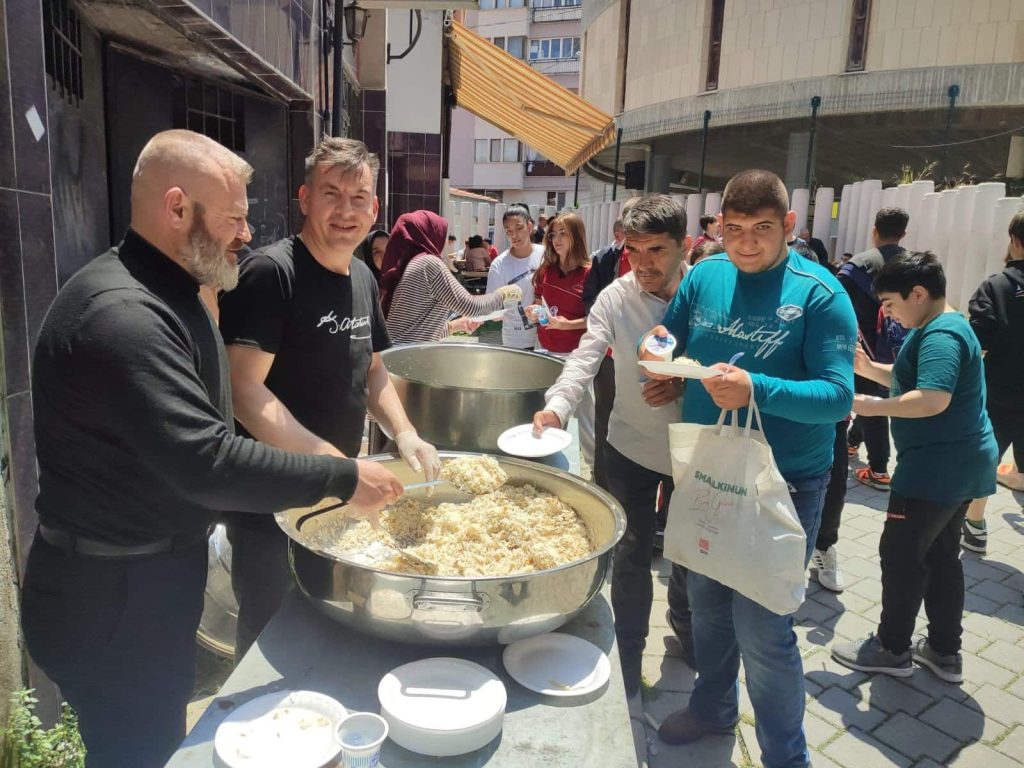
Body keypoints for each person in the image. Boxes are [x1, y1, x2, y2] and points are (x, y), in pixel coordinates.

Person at [19, 130, 404, 768]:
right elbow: (208, 460)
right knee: (137, 753)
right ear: (177, 208)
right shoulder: (123, 314)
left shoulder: (170, 291)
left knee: (156, 739)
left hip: (146, 582)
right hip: (110, 599)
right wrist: (339, 476)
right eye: (233, 219)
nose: (245, 235)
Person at [645, 169, 856, 768]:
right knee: (708, 610)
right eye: (733, 229)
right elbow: (672, 333)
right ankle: (713, 707)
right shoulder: (707, 274)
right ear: (717, 228)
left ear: (789, 225)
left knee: (764, 632)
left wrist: (755, 387)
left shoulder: (819, 293)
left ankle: (786, 758)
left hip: (783, 483)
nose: (745, 243)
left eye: (762, 229)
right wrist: (661, 356)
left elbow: (839, 397)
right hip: (709, 472)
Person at [218, 138, 435, 659]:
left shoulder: (362, 276)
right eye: (331, 193)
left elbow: (374, 369)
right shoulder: (272, 273)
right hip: (271, 501)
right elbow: (245, 392)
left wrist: (406, 434)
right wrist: (340, 469)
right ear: (305, 199)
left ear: (375, 208)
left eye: (359, 197)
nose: (346, 210)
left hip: (333, 493)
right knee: (272, 640)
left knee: (327, 634)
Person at [533, 195, 692, 698]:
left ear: (683, 247)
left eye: (657, 251)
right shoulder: (615, 297)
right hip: (628, 442)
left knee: (690, 555)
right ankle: (628, 652)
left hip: (694, 448)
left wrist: (683, 383)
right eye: (634, 250)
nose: (643, 264)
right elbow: (585, 355)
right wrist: (557, 405)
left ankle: (688, 635)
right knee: (630, 552)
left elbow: (725, 359)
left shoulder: (708, 289)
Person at [831, 252, 997, 684]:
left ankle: (891, 648)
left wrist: (870, 405)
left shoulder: (940, 335)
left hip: (934, 473)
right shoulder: (943, 325)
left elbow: (931, 399)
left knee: (902, 556)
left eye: (889, 302)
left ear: (918, 293)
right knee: (942, 556)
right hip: (960, 467)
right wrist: (868, 368)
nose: (886, 312)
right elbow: (917, 381)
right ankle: (944, 651)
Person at [961, 211, 1024, 554]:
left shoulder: (997, 287)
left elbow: (975, 343)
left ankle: (974, 527)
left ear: (1014, 240)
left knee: (984, 460)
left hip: (999, 394)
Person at [840, 207, 910, 491]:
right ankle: (853, 442)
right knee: (875, 398)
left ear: (874, 231)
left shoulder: (858, 264)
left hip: (863, 348)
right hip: (902, 346)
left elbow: (834, 298)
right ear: (903, 233)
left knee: (872, 404)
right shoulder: (912, 264)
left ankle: (880, 468)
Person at [381, 211, 520, 344]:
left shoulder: (410, 265)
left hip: (399, 354)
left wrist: (455, 325)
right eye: (440, 233)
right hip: (409, 358)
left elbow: (416, 330)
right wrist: (503, 294)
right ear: (428, 234)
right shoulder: (428, 264)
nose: (445, 241)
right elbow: (471, 307)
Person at [527, 212, 595, 474]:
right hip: (545, 351)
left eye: (563, 233)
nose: (556, 240)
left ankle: (595, 472)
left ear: (577, 236)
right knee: (549, 414)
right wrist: (533, 311)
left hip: (578, 357)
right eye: (553, 234)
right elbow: (537, 301)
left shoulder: (591, 273)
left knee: (587, 421)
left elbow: (599, 320)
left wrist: (568, 324)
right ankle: (549, 472)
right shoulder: (546, 271)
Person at [583, 217, 630, 490]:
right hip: (609, 354)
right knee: (605, 418)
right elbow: (591, 300)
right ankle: (602, 484)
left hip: (646, 359)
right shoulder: (605, 258)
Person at [487, 204, 545, 350]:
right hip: (516, 340)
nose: (514, 235)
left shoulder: (545, 255)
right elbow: (491, 306)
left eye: (519, 228)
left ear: (530, 226)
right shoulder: (499, 265)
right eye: (509, 231)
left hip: (546, 336)